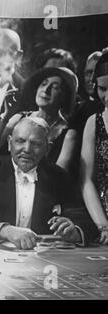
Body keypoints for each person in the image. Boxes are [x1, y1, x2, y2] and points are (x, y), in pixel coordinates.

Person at [0, 117, 98, 250]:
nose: (27, 149)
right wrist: (6, 230)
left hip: (43, 261)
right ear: (10, 143)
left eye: (36, 144)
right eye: (20, 141)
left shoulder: (58, 176)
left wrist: (74, 230)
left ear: (47, 148)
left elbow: (81, 217)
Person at [0, 67, 79, 173]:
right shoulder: (19, 118)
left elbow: (58, 175)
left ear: (65, 96)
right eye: (43, 84)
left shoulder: (68, 134)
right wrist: (6, 116)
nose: (46, 90)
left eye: (55, 87)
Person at [80, 51, 108, 245]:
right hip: (103, 219)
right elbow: (86, 181)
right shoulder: (94, 122)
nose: (107, 96)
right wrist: (103, 225)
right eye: (103, 88)